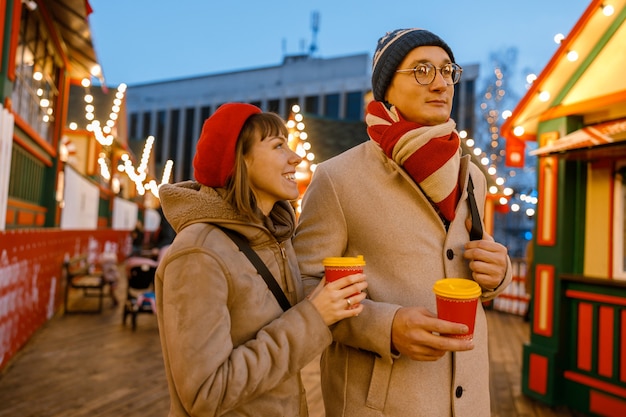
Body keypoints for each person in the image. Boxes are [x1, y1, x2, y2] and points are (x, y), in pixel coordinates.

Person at [293, 28, 512, 417]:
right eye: (422, 71)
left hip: (469, 397)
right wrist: (385, 326)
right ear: (386, 89)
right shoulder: (337, 178)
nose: (441, 83)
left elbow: (471, 263)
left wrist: (500, 274)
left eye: (447, 71)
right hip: (383, 402)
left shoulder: (471, 175)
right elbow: (304, 285)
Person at [154, 103, 368, 417]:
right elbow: (206, 393)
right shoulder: (199, 253)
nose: (295, 157)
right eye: (279, 146)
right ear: (239, 160)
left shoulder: (275, 241)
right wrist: (314, 316)